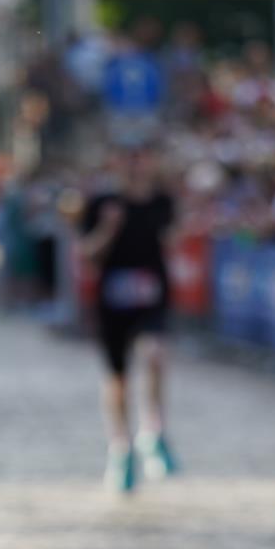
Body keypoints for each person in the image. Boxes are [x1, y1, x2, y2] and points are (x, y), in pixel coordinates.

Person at [79, 141, 178, 492]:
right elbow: (86, 254)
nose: (136, 165)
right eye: (128, 158)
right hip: (112, 300)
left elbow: (174, 239)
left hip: (151, 295)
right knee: (118, 378)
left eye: (142, 156)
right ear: (116, 163)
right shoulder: (100, 203)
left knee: (154, 353)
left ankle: (153, 432)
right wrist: (108, 228)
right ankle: (120, 448)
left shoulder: (163, 202)